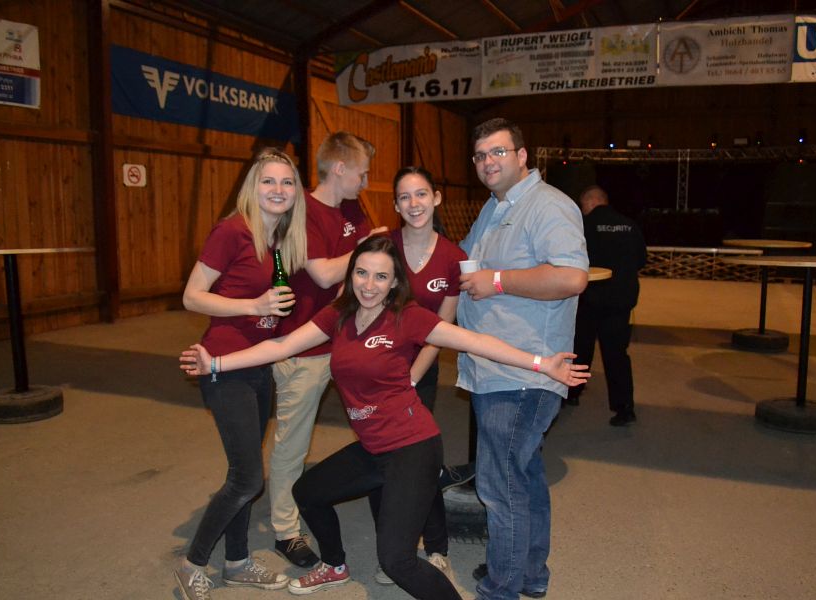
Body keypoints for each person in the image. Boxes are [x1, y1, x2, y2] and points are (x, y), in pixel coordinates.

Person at [179, 236, 590, 600]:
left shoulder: (407, 317)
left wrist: (542, 364)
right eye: (362, 273)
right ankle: (335, 565)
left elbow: (474, 341)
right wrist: (215, 363)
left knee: (396, 561)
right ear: (351, 274)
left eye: (380, 277)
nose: (369, 285)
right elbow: (282, 345)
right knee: (308, 492)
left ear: (394, 282)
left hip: (413, 448)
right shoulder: (339, 315)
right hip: (373, 448)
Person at [457, 118, 589, 600]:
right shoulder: (494, 208)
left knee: (500, 484)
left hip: (522, 375)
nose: (487, 162)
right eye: (480, 155)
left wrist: (497, 281)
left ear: (521, 155)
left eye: (497, 152)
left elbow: (571, 277)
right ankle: (529, 573)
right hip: (495, 368)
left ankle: (502, 587)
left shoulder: (547, 205)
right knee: (524, 476)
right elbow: (461, 263)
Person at [172, 148, 306, 600]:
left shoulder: (279, 238)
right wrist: (253, 305)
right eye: (268, 181)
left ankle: (236, 562)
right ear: (253, 187)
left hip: (257, 366)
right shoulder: (232, 231)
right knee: (248, 479)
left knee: (244, 470)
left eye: (286, 182)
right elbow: (192, 296)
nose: (278, 190)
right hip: (224, 365)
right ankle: (192, 563)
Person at [268, 131, 387, 568]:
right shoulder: (302, 211)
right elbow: (322, 273)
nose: (365, 182)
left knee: (376, 425)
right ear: (339, 168)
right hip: (304, 347)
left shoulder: (352, 207)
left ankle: (387, 506)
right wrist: (363, 248)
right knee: (292, 444)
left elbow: (370, 261)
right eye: (362, 173)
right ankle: (285, 530)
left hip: (347, 339)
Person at [369, 166, 468, 585]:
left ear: (436, 198)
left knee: (419, 460)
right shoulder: (382, 247)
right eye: (405, 197)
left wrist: (409, 380)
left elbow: (441, 329)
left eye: (421, 194)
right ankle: (394, 550)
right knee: (382, 458)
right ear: (395, 204)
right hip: (378, 369)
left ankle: (437, 548)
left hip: (417, 373)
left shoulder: (453, 257)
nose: (414, 204)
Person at [568, 185, 646, 426]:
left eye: (583, 205)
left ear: (591, 202)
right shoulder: (629, 225)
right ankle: (624, 408)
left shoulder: (582, 226)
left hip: (589, 299)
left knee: (581, 348)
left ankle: (573, 393)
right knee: (617, 354)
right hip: (620, 301)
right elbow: (641, 260)